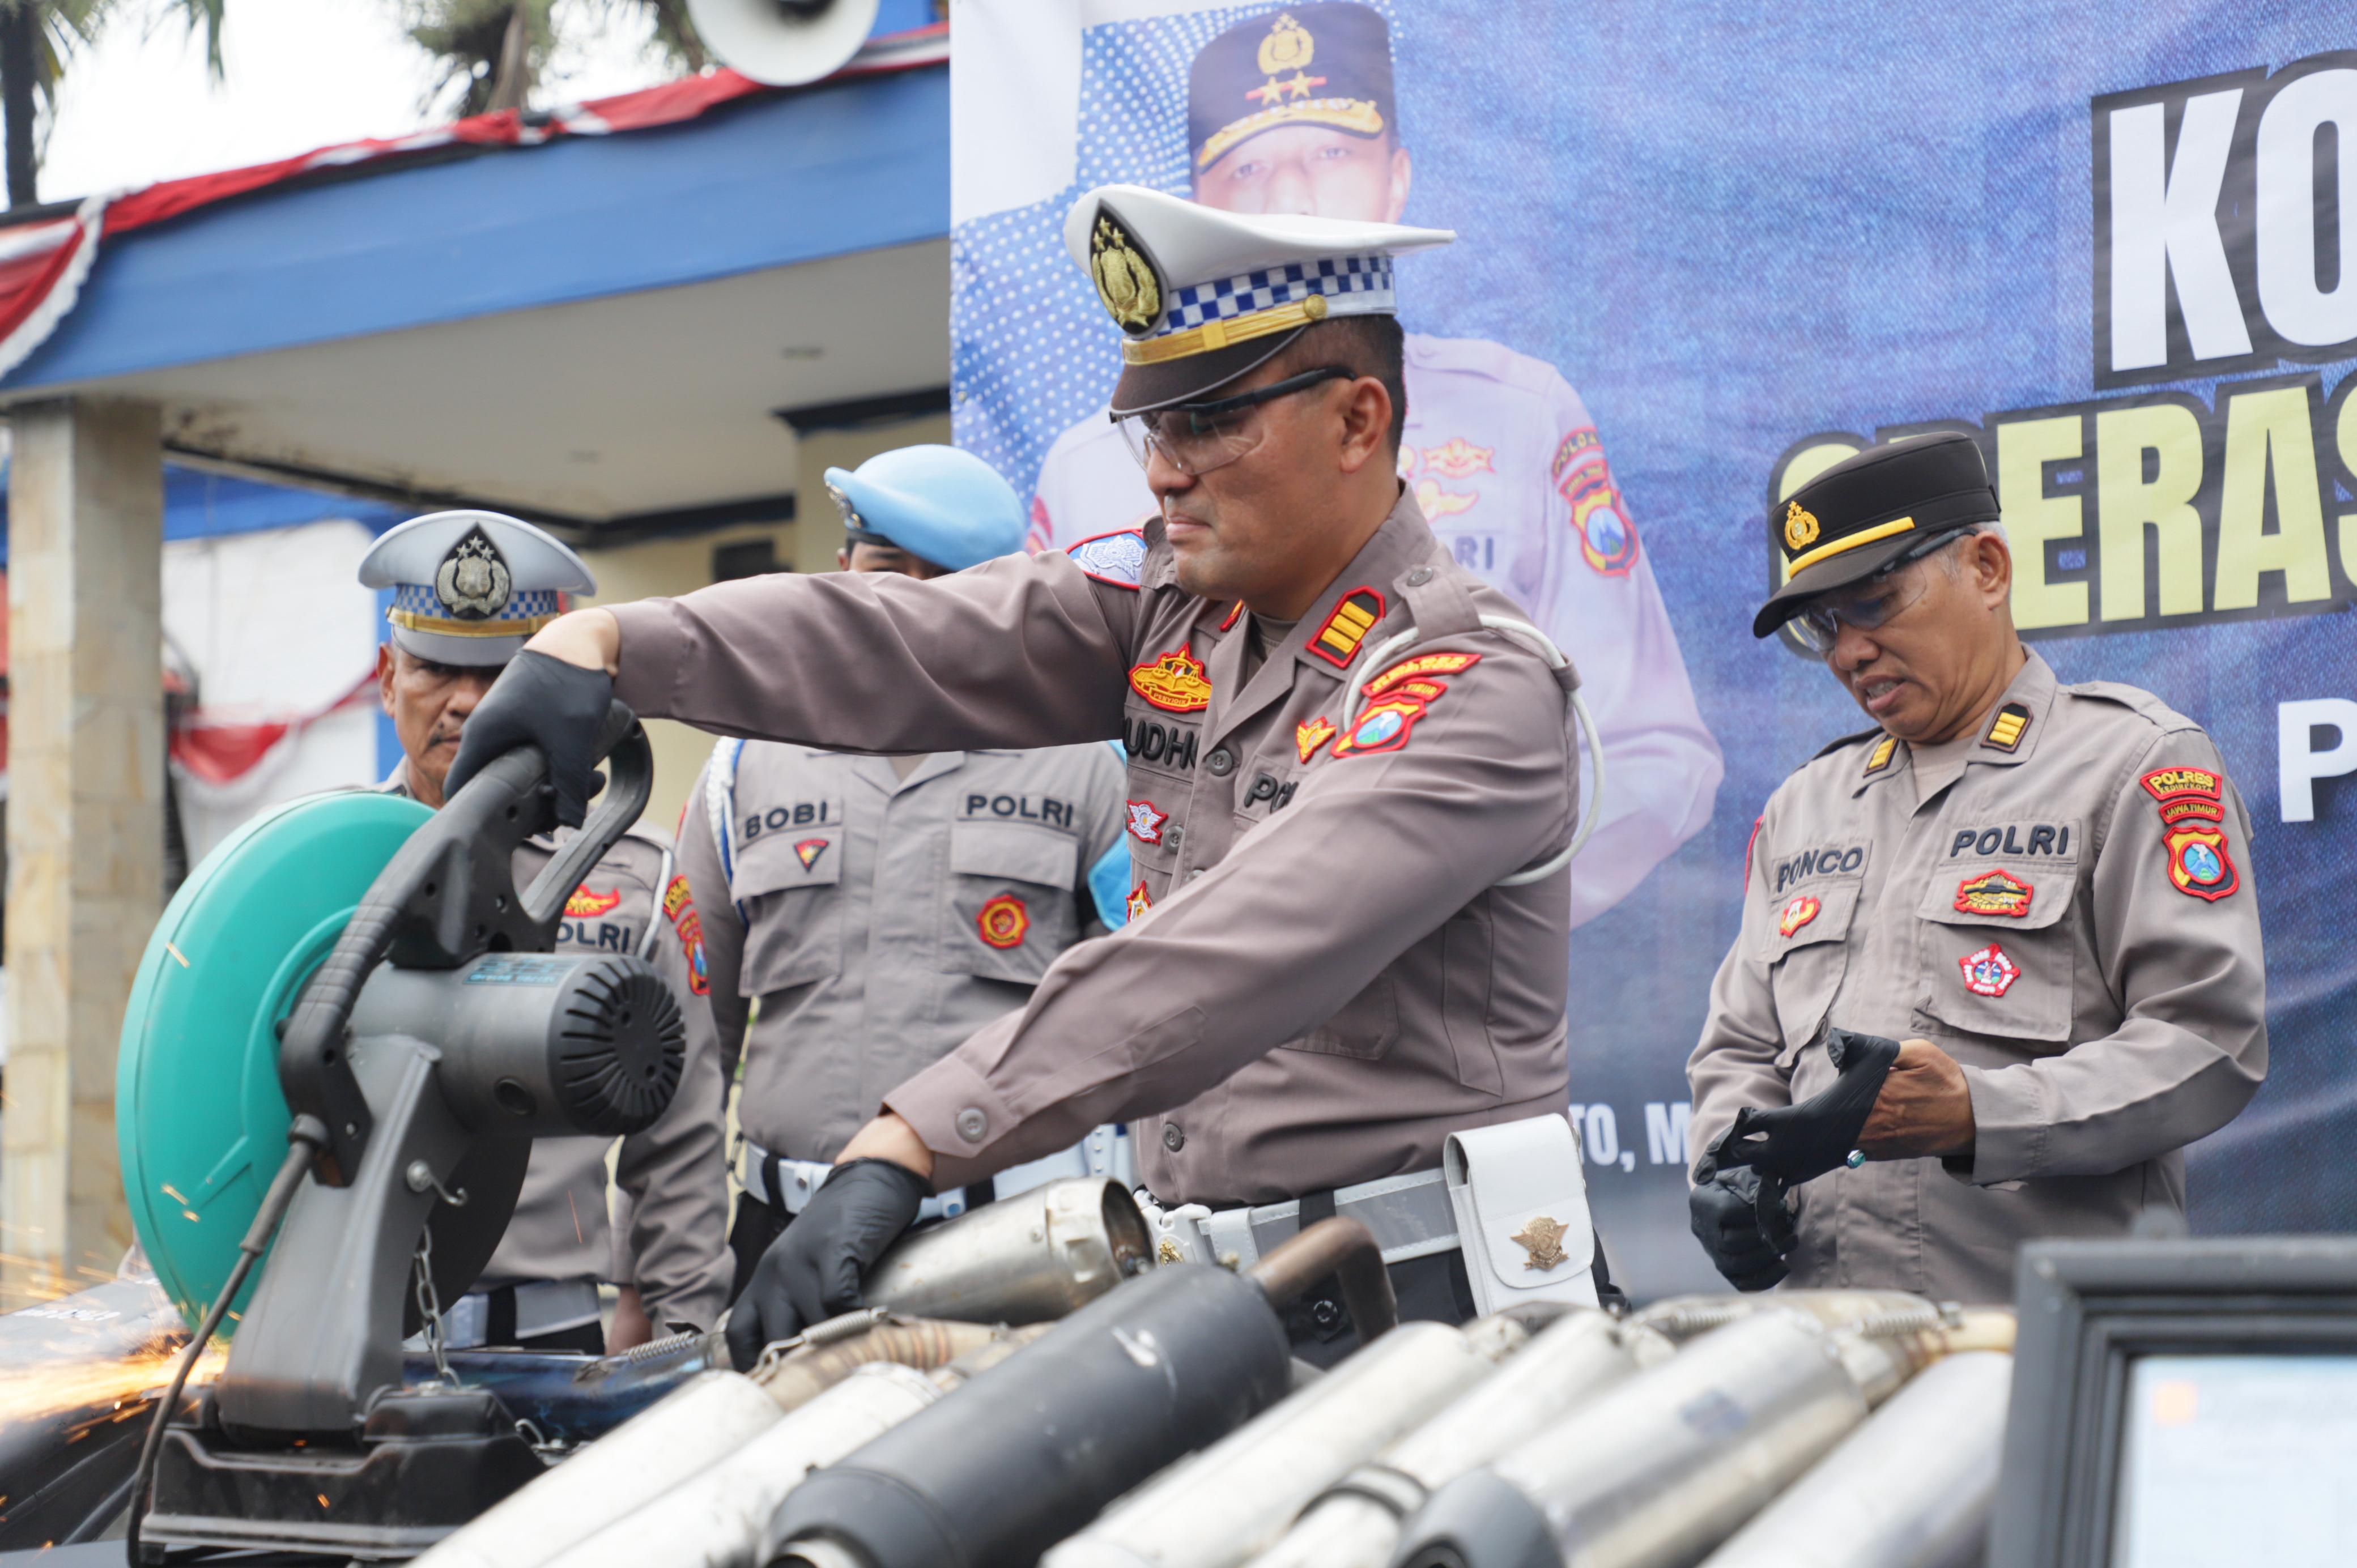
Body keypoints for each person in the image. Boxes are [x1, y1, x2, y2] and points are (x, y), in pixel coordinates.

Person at [449, 184, 1607, 1369]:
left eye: (1207, 421)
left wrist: (912, 1136)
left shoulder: (1465, 678)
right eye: (1150, 430)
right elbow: (906, 637)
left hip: (1442, 1320)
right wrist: (609, 648)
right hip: (1226, 1307)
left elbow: (1232, 951)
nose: (1165, 474)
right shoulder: (1179, 611)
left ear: (1359, 421)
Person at [1028, 1, 1721, 927]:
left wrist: (1448, 912)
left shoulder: (1520, 414)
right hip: (1173, 991)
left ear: (1396, 179)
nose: (1289, 197)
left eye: (1328, 155)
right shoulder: (1083, 467)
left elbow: (1651, 754)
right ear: (1198, 193)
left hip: (1429, 1003)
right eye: (1246, 167)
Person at [1684, 433, 2267, 1303]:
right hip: (1824, 1353)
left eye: (1875, 603)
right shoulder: (1805, 806)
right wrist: (1727, 1167)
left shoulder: (2131, 763)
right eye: (1824, 626)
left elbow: (2207, 1042)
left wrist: (1980, 1114)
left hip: (2039, 1346)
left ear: (1987, 569)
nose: (1849, 652)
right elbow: (1741, 1049)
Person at [679, 444, 1131, 1294]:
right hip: (783, 1243)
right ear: (841, 570)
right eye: (885, 568)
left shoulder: (1087, 762)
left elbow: (1140, 1022)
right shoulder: (743, 766)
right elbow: (692, 1052)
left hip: (1009, 1242)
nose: (907, 606)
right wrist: (666, 1281)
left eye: (946, 582)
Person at [363, 509, 731, 1352]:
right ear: (387, 678)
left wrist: (683, 1343)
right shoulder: (315, 869)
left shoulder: (634, 876)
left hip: (552, 1339)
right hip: (357, 1334)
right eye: (434, 669)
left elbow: (676, 1142)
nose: (465, 701)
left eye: (499, 675)